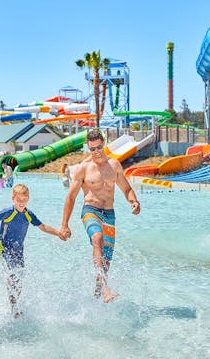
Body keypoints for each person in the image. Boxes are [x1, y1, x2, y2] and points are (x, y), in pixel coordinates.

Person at [60, 129, 140, 303]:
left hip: (109, 215)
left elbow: (126, 189)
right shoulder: (83, 169)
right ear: (88, 148)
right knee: (97, 238)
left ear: (104, 144)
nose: (96, 151)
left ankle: (97, 296)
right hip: (90, 210)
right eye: (92, 148)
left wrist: (133, 201)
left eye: (99, 147)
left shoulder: (115, 166)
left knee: (106, 262)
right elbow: (71, 197)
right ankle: (105, 289)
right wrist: (65, 224)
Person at [0, 184, 68, 318]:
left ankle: (15, 304)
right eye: (19, 200)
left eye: (24, 200)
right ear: (13, 198)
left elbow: (43, 227)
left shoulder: (29, 215)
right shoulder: (8, 212)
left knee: (20, 278)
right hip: (4, 248)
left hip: (19, 250)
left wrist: (58, 233)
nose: (21, 202)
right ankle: (13, 308)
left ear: (28, 199)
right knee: (12, 276)